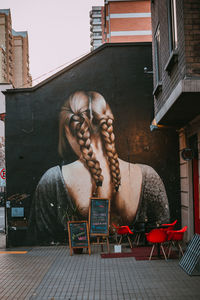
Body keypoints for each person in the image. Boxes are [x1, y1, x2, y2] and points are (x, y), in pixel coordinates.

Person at [30, 91, 170, 243]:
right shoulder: (148, 175)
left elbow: (42, 238)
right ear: (109, 123)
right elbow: (163, 224)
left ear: (69, 130)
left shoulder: (52, 180)